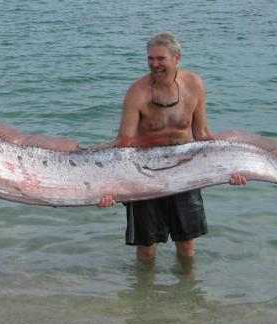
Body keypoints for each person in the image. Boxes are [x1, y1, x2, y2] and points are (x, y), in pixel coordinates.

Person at [97, 31, 247, 263]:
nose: (154, 65)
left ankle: (189, 295)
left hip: (185, 169)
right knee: (146, 246)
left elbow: (203, 135)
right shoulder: (137, 93)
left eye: (160, 59)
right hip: (144, 172)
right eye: (150, 59)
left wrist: (231, 169)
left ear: (177, 58)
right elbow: (124, 145)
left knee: (186, 244)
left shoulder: (194, 85)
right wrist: (112, 189)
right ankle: (143, 296)